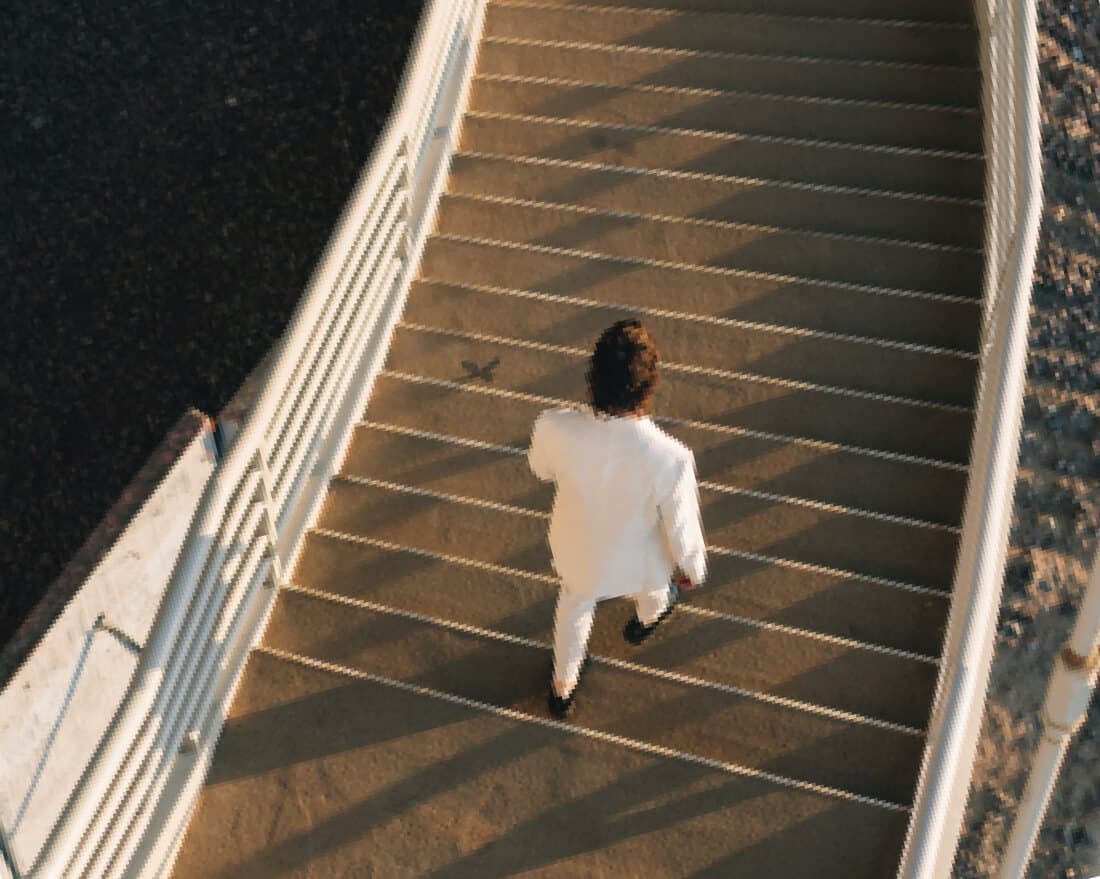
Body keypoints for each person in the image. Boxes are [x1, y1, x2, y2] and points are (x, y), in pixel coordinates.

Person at [527, 319, 708, 718]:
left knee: (574, 604)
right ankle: (645, 621)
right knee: (658, 591)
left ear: (594, 378)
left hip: (577, 552)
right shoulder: (671, 458)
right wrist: (692, 570)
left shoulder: (554, 426)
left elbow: (541, 468)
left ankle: (562, 687)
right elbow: (682, 530)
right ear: (649, 386)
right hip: (638, 566)